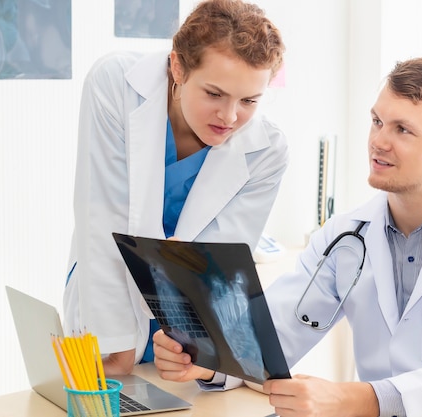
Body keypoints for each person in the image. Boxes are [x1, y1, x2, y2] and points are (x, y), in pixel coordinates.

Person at [152, 57, 422, 416]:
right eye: (377, 121)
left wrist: (353, 401)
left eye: (403, 130)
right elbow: (275, 331)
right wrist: (212, 361)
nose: (378, 141)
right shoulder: (347, 237)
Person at [63, 0, 287, 376]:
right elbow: (101, 217)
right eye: (214, 94)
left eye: (249, 100)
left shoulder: (267, 150)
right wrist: (114, 344)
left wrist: (198, 353)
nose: (230, 117)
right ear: (178, 67)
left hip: (184, 322)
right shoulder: (116, 84)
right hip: (108, 301)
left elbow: (219, 265)